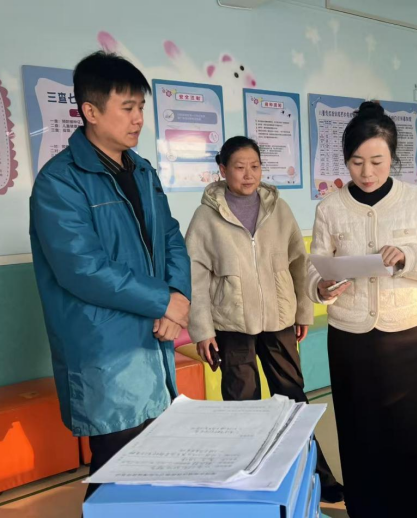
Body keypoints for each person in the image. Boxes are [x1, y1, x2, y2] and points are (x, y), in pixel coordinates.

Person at [29, 52, 192, 501]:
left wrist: (177, 297)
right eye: (128, 107)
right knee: (116, 472)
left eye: (141, 107)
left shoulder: (142, 170)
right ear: (91, 111)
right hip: (106, 350)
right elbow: (82, 269)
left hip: (154, 339)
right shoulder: (60, 181)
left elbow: (171, 236)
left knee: (155, 465)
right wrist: (164, 300)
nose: (139, 118)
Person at [308, 102, 417, 518]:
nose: (367, 172)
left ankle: (406, 512)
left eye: (377, 161)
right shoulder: (330, 207)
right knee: (356, 428)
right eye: (356, 162)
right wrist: (319, 286)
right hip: (348, 334)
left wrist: (410, 256)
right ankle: (363, 510)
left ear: (393, 157)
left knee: (403, 430)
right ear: (346, 160)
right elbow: (314, 263)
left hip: (402, 333)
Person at [185, 136, 345, 504]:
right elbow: (195, 278)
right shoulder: (206, 217)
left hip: (279, 321)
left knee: (294, 401)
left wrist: (303, 311)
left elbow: (299, 263)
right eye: (239, 167)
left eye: (255, 166)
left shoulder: (279, 209)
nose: (248, 174)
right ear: (222, 170)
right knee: (243, 407)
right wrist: (203, 330)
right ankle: (250, 484)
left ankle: (318, 477)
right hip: (232, 325)